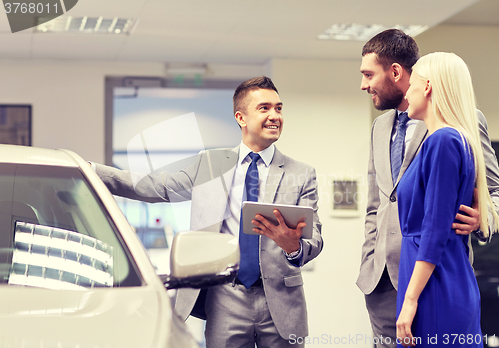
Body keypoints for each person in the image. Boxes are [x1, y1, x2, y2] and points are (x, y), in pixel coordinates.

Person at [92, 76, 323, 348]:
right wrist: (89, 170)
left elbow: (315, 239)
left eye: (279, 108)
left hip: (282, 301)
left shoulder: (301, 173)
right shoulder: (210, 165)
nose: (275, 116)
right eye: (264, 108)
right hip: (226, 298)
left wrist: (293, 247)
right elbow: (156, 187)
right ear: (241, 117)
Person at [357, 29, 499, 348]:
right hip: (382, 277)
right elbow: (376, 203)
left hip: (433, 269)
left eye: (368, 74)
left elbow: (489, 190)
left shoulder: (453, 129)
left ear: (397, 73)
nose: (363, 85)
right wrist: (370, 255)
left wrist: (484, 217)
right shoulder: (379, 127)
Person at [395, 52, 499, 347]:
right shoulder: (443, 139)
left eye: (411, 82)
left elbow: (435, 229)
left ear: (427, 86)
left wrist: (411, 299)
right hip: (429, 273)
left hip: (436, 280)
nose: (407, 91)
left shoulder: (444, 141)